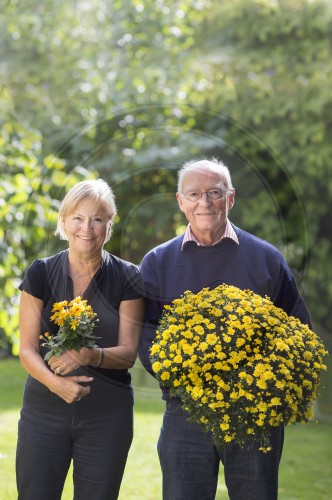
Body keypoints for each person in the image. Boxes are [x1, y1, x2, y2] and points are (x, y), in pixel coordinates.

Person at [138, 158, 311, 500]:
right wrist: (186, 381)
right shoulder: (157, 262)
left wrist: (266, 387)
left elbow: (298, 329)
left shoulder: (266, 258)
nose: (205, 202)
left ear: (230, 198)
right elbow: (146, 335)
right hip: (186, 413)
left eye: (214, 192)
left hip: (255, 416)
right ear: (181, 201)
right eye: (195, 194)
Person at [17, 179, 144, 500]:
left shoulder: (128, 277)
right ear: (63, 222)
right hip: (43, 414)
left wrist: (88, 355)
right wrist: (55, 383)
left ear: (109, 225)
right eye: (77, 217)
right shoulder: (41, 273)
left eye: (98, 218)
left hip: (106, 417)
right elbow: (27, 349)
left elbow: (129, 353)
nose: (87, 227)